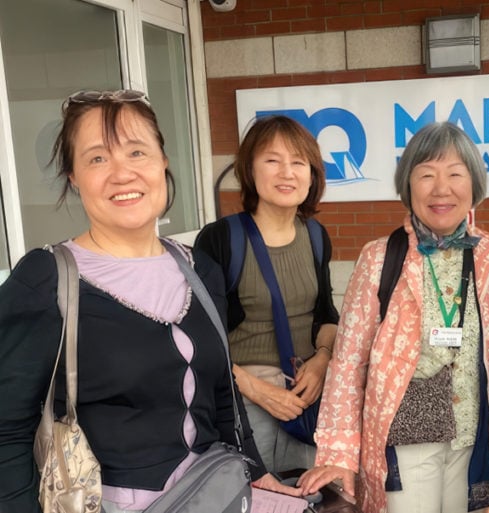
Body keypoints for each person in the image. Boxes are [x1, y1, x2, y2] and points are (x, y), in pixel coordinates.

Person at [0, 89, 297, 513]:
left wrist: (256, 471)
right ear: (73, 177)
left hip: (215, 494)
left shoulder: (201, 271)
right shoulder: (46, 280)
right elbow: (6, 429)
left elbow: (222, 392)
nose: (122, 173)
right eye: (97, 158)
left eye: (137, 152)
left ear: (162, 161)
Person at [297, 122, 489, 513]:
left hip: (474, 437)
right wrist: (338, 452)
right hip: (405, 441)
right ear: (408, 184)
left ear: (473, 184)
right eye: (426, 175)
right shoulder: (380, 258)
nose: (441, 189)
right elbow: (349, 362)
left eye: (454, 174)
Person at [195, 115, 339, 473]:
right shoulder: (221, 239)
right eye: (272, 160)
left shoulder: (316, 236)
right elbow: (198, 336)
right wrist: (258, 390)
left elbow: (325, 315)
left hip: (307, 396)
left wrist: (321, 361)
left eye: (298, 162)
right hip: (244, 397)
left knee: (308, 495)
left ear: (312, 175)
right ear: (250, 170)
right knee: (251, 494)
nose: (286, 172)